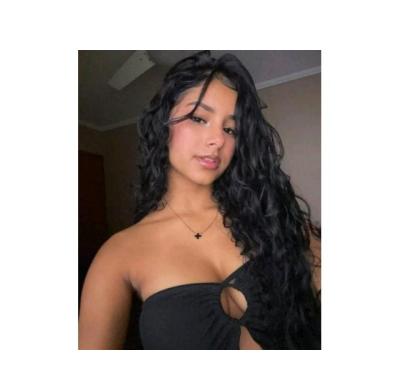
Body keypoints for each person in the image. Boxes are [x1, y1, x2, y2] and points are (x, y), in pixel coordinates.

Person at [78, 50, 321, 350]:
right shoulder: (118, 254)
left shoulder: (270, 216)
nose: (218, 139)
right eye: (198, 118)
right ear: (163, 123)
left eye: (230, 129)